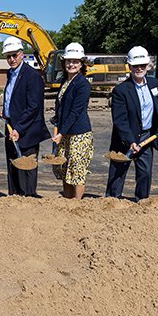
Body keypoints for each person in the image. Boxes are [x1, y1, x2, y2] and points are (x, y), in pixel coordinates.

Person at [106, 46, 158, 200]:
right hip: (124, 139)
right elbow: (120, 120)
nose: (139, 69)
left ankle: (142, 202)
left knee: (145, 173)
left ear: (147, 65)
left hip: (147, 136)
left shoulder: (153, 84)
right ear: (130, 66)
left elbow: (157, 107)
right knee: (118, 174)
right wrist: (130, 141)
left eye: (142, 65)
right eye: (136, 66)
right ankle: (111, 202)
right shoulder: (121, 90)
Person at [0, 37, 50, 197]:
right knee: (13, 165)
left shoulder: (32, 76)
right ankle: (14, 198)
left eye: (14, 55)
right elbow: (12, 97)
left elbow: (33, 107)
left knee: (26, 167)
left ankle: (28, 200)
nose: (11, 59)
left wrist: (19, 129)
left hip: (27, 130)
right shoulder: (11, 73)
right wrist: (5, 111)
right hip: (11, 126)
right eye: (8, 56)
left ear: (22, 54)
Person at [52, 43, 94, 200]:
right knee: (65, 169)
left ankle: (77, 204)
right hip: (65, 133)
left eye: (75, 61)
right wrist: (57, 124)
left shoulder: (82, 84)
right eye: (68, 61)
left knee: (77, 170)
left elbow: (75, 112)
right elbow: (61, 107)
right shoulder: (65, 81)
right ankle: (68, 202)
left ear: (81, 64)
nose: (71, 64)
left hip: (79, 134)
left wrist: (61, 132)